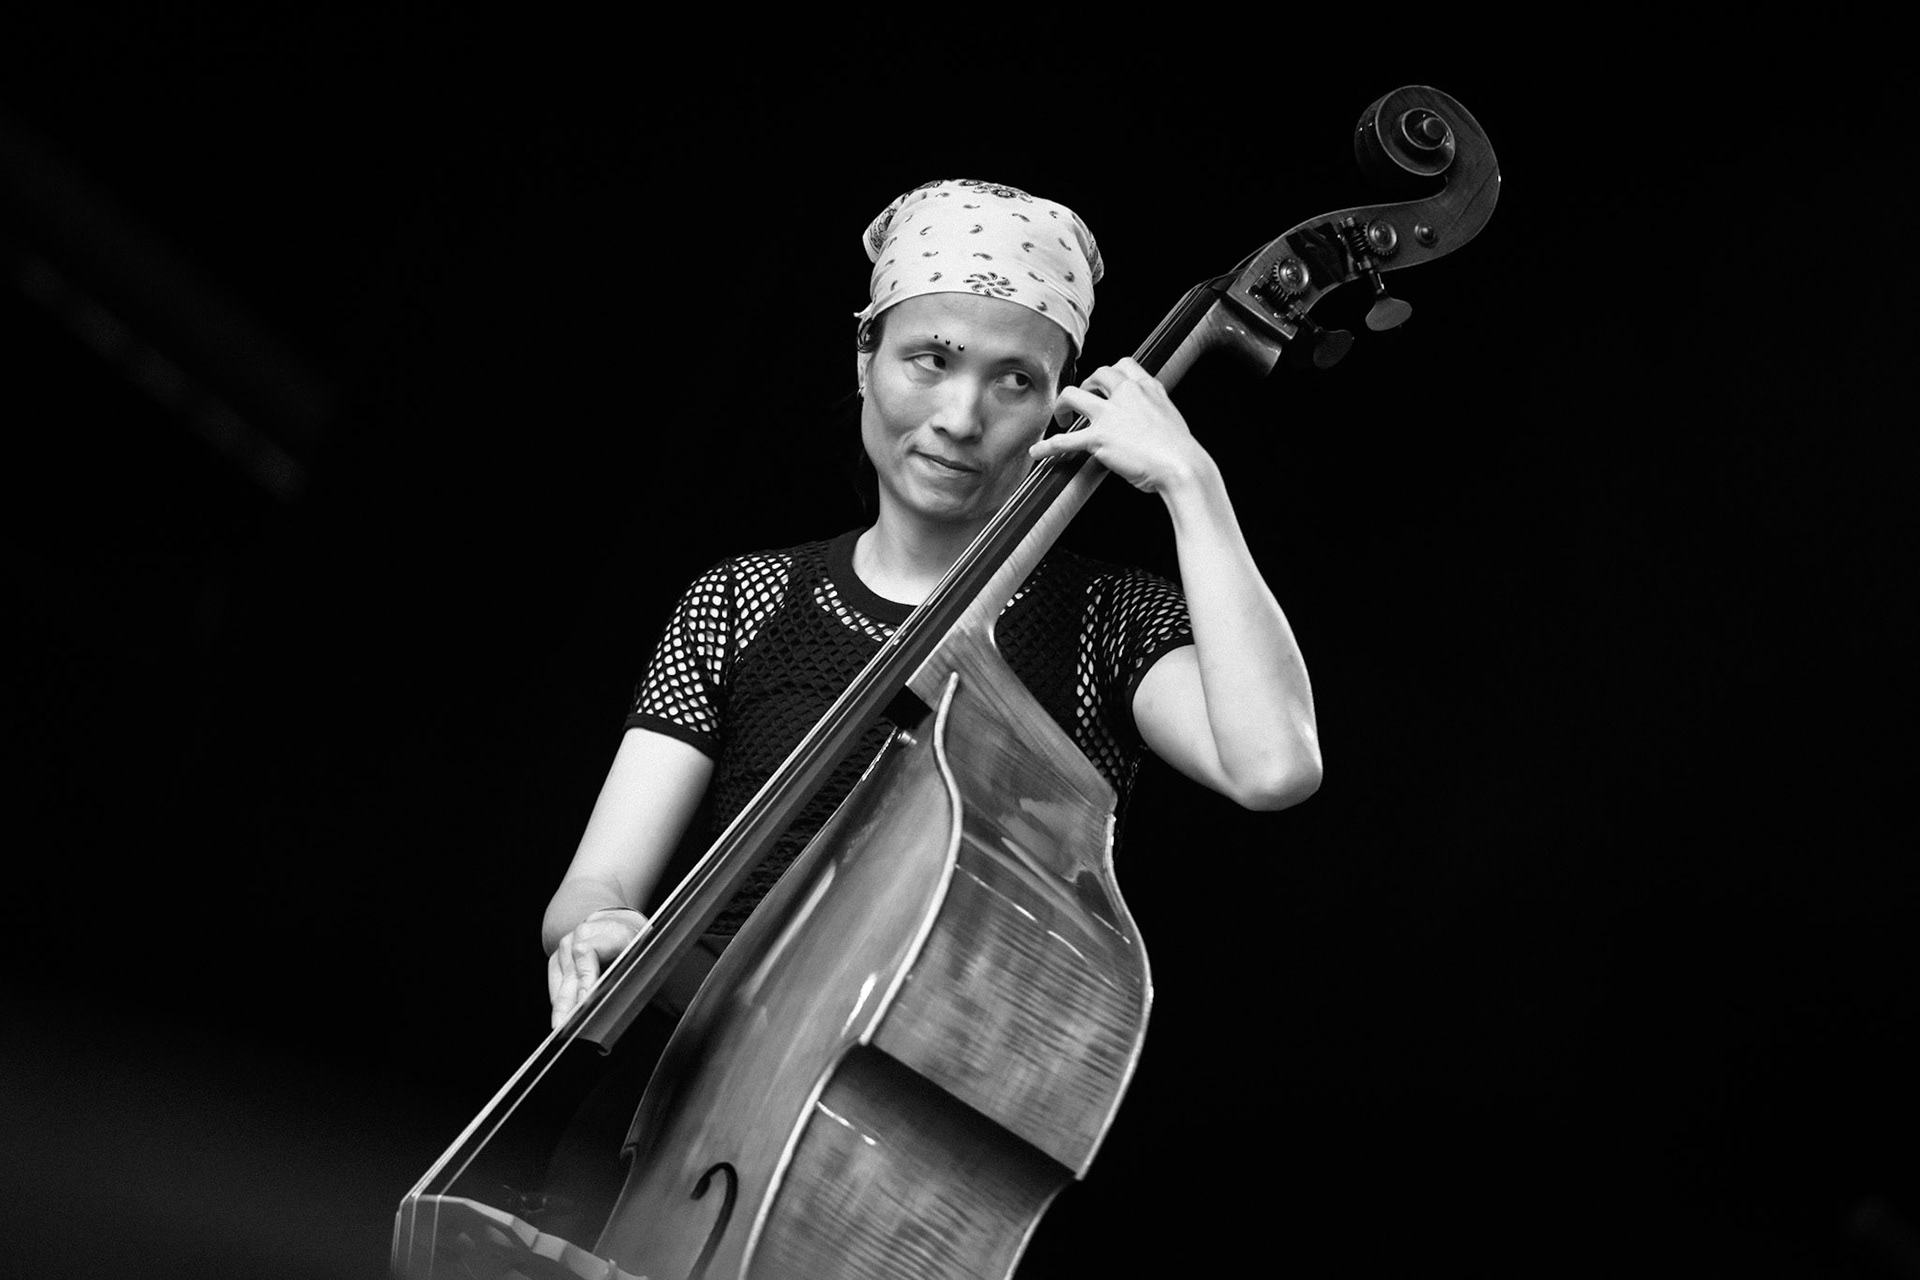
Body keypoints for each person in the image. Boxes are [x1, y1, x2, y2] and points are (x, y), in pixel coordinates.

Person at [542, 176, 1322, 1032]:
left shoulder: (1113, 620)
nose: (961, 416)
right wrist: (598, 931)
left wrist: (1188, 480)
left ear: (1061, 404)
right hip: (677, 1077)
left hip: (925, 1094)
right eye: (932, 359)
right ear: (865, 357)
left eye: (1015, 381)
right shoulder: (742, 599)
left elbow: (1272, 767)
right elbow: (599, 882)